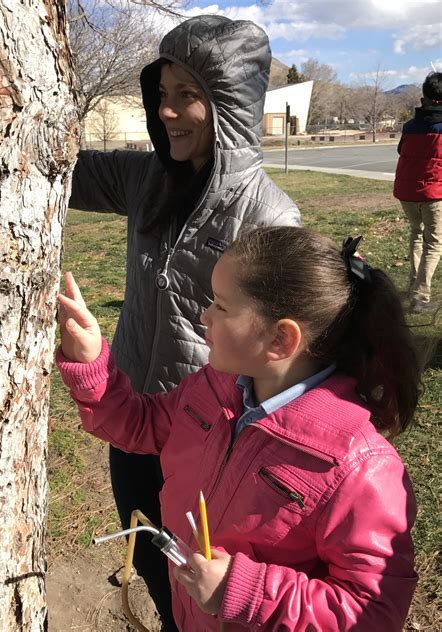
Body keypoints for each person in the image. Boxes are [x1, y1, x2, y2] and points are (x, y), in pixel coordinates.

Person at [56, 226, 420, 631]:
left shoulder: (356, 467)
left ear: (280, 339)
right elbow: (140, 424)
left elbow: (373, 612)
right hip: (189, 614)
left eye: (221, 306)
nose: (204, 315)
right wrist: (90, 362)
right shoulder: (214, 388)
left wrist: (240, 590)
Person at [68, 15, 300, 628]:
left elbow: (283, 361)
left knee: (197, 584)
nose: (168, 113)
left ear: (228, 107)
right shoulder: (149, 177)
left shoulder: (269, 217)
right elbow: (62, 168)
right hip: (130, 417)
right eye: (162, 95)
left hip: (204, 440)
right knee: (148, 556)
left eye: (187, 96)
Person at [394, 71, 442, 313]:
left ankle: (414, 284)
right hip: (434, 193)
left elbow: (401, 151)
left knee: (416, 233)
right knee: (433, 242)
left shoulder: (410, 126)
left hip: (407, 191)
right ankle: (421, 297)